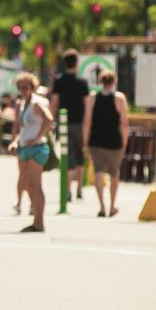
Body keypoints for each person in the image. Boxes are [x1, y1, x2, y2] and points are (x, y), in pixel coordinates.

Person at [8, 73, 53, 232]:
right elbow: (20, 126)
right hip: (24, 148)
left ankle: (39, 222)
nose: (23, 90)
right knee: (28, 184)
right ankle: (35, 220)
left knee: (36, 185)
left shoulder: (36, 103)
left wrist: (37, 137)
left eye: (26, 87)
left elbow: (49, 119)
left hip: (37, 148)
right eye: (20, 87)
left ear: (32, 88)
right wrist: (15, 141)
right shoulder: (21, 104)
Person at [83, 71, 129, 218]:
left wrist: (86, 142)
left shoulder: (92, 97)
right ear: (114, 81)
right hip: (114, 141)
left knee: (98, 172)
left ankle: (102, 206)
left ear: (100, 82)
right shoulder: (119, 98)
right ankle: (112, 205)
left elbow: (87, 122)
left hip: (96, 141)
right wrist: (124, 142)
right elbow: (124, 123)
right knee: (114, 173)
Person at [49, 49, 89, 201]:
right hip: (80, 123)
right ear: (77, 63)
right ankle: (79, 187)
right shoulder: (82, 82)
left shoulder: (59, 81)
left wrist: (51, 120)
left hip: (64, 124)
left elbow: (54, 103)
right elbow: (86, 105)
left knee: (67, 155)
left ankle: (68, 190)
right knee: (80, 156)